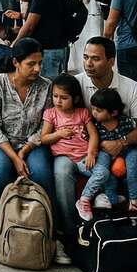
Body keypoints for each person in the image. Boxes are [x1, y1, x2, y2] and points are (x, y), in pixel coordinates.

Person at [51, 37, 137, 239]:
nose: (88, 64)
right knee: (61, 171)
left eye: (95, 59)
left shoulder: (130, 87)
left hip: (125, 150)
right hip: (80, 151)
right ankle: (68, 234)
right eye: (85, 57)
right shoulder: (76, 84)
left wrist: (121, 143)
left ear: (111, 61)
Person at [0, 39, 61, 264]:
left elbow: (46, 125)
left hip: (32, 143)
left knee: (41, 172)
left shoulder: (45, 86)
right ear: (16, 63)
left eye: (40, 63)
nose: (38, 69)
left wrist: (26, 149)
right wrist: (14, 156)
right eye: (31, 64)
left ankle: (52, 235)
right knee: (1, 168)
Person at [39, 73, 101, 222]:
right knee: (61, 172)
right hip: (63, 157)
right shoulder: (51, 114)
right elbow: (44, 138)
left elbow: (93, 135)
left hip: (84, 156)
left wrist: (91, 153)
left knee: (103, 171)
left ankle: (99, 200)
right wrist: (58, 134)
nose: (58, 101)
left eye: (64, 98)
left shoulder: (82, 113)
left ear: (76, 99)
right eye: (55, 96)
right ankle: (68, 226)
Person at [88, 87, 137, 213]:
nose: (94, 113)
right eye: (92, 108)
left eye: (99, 110)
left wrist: (122, 147)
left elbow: (133, 140)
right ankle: (113, 203)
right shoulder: (94, 125)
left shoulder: (125, 122)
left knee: (133, 166)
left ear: (113, 113)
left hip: (129, 151)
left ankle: (134, 200)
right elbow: (91, 142)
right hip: (107, 154)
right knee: (106, 171)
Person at [11, 0, 69, 78]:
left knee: (47, 88)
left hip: (49, 51)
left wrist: (15, 45)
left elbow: (30, 25)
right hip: (54, 48)